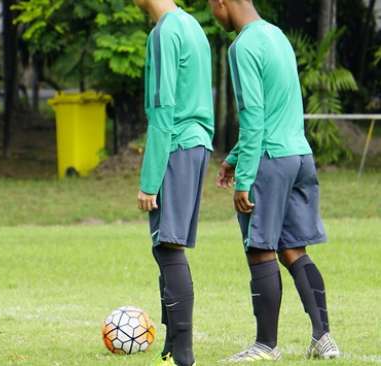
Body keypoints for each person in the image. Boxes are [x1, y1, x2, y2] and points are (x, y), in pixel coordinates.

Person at [208, 0, 341, 361]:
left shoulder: (242, 46)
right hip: (299, 155)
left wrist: (244, 178)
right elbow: (279, 109)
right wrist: (234, 159)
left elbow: (253, 116)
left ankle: (266, 345)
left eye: (211, 7)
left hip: (270, 161)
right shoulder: (277, 36)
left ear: (223, 3)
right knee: (294, 248)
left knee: (260, 248)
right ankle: (323, 337)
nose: (213, 14)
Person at [133, 0, 214, 365]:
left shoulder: (166, 31)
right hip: (196, 143)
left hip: (178, 143)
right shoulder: (192, 25)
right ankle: (171, 346)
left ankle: (183, 354)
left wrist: (149, 182)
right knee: (166, 246)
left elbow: (163, 107)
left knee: (168, 246)